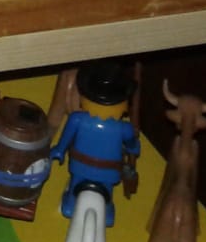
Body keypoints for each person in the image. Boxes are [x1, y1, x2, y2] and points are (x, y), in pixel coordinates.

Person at [48, 60, 140, 229]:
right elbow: (132, 144)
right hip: (109, 171)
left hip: (79, 166)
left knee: (75, 185)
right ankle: (106, 210)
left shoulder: (77, 118)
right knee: (107, 191)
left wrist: (60, 150)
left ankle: (70, 203)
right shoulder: (124, 128)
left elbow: (66, 138)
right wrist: (134, 148)